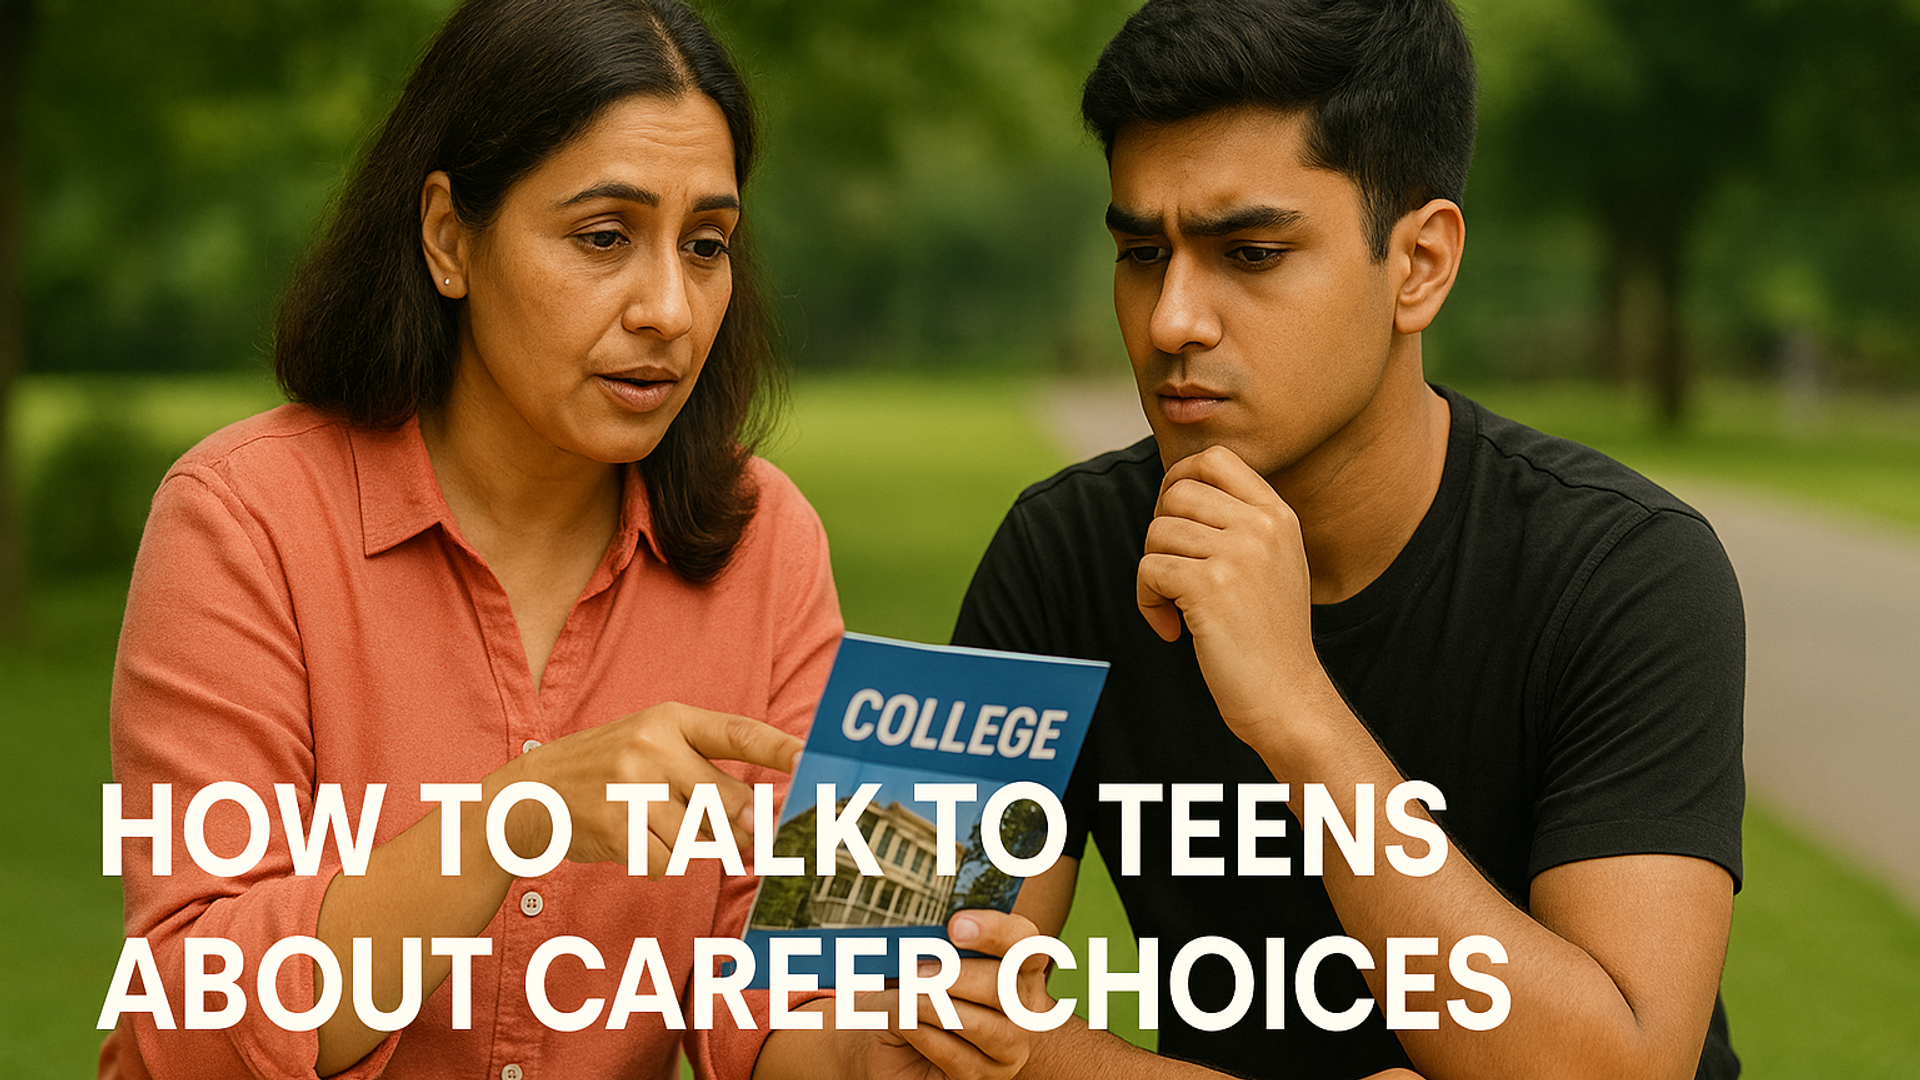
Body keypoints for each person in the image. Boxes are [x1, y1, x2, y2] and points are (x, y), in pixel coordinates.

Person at [101, 1, 1045, 1077]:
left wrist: (901, 1040)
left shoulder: (765, 541)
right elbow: (192, 1020)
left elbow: (773, 1008)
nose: (670, 311)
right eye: (605, 237)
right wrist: (515, 816)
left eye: (706, 246)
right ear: (449, 237)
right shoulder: (246, 519)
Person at [953, 1, 1746, 1078]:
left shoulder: (1628, 569)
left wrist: (1294, 710)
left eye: (1254, 251)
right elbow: (882, 1000)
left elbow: (1621, 1067)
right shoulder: (1061, 550)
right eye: (1143, 252)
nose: (1173, 318)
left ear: (1419, 263)